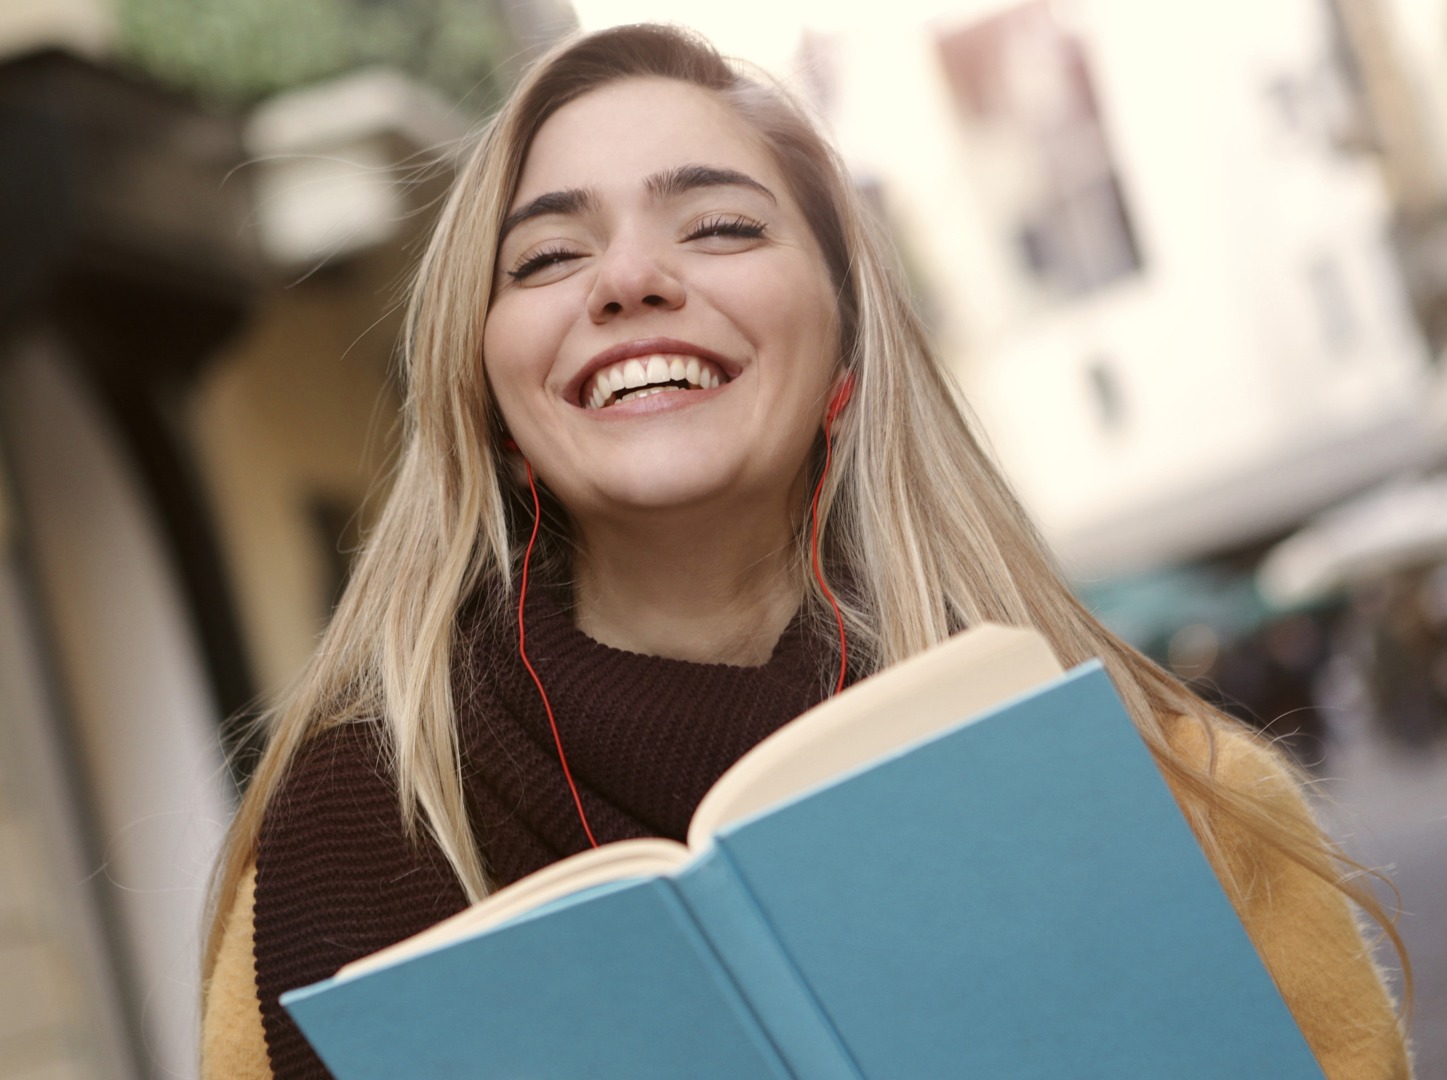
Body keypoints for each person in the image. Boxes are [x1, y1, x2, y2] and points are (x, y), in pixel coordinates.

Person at [201, 23, 1411, 1079]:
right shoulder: (332, 859)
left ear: (845, 355)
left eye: (720, 226)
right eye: (549, 256)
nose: (627, 278)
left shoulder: (1181, 802)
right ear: (493, 400)